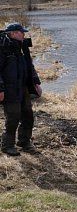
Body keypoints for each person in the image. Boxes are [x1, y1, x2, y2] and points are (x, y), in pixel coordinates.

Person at [0, 23, 42, 156]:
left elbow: (30, 66)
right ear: (12, 33)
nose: (23, 34)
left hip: (23, 87)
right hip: (9, 89)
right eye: (21, 32)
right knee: (13, 116)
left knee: (28, 115)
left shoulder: (23, 46)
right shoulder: (3, 47)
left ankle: (24, 142)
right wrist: (0, 89)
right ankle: (7, 145)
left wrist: (35, 82)